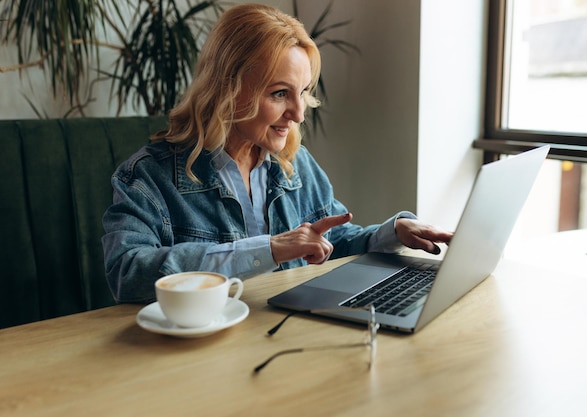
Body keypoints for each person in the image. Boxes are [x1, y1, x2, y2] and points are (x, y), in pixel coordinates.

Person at [102, 3, 453, 303]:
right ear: (228, 90)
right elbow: (127, 273)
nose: (299, 114)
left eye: (302, 91)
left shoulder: (293, 163)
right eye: (280, 94)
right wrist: (267, 250)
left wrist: (392, 233)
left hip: (285, 342)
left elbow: (329, 242)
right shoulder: (149, 176)